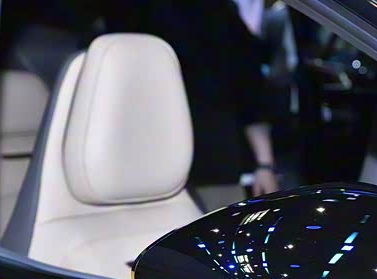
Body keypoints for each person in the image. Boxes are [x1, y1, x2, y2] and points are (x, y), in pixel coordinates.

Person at [104, 0, 279, 203]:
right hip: (179, 161)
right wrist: (264, 164)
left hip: (191, 161)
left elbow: (250, 89)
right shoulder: (217, 13)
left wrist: (264, 164)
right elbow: (250, 90)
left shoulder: (217, 14)